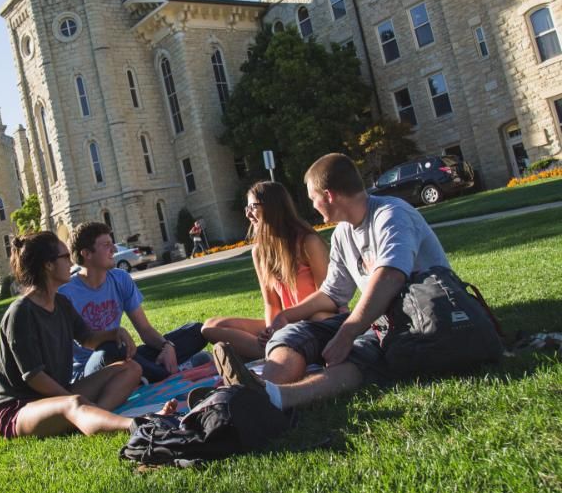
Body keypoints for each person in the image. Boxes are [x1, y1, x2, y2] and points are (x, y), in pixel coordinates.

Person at [213, 153, 452, 410]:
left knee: (360, 353)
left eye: (312, 198)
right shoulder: (343, 233)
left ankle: (277, 398)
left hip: (418, 315)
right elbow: (332, 292)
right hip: (377, 317)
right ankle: (255, 388)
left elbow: (390, 277)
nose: (312, 205)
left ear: (327, 196)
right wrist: (288, 316)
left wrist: (348, 332)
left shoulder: (391, 214)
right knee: (295, 333)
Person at [0, 231, 145, 440]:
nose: (71, 262)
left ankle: (93, 417)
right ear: (48, 265)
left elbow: (87, 339)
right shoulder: (21, 313)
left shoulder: (61, 303)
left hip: (60, 392)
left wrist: (115, 332)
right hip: (21, 408)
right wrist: (72, 397)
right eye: (65, 257)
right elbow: (34, 377)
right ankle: (140, 426)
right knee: (74, 404)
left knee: (131, 369)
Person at [201, 180, 336, 359]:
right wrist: (271, 331)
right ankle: (275, 351)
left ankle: (277, 355)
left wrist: (285, 320)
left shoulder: (308, 242)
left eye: (253, 207)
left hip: (313, 319)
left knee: (320, 318)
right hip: (284, 324)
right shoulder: (259, 252)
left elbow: (328, 298)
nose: (248, 214)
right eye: (246, 208)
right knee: (211, 327)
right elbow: (272, 304)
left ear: (273, 206)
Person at [60, 222, 208, 383]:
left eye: (112, 243)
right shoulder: (65, 293)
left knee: (196, 330)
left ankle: (149, 374)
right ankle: (166, 374)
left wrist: (167, 346)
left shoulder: (120, 278)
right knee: (112, 347)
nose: (114, 250)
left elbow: (144, 329)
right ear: (87, 254)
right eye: (106, 245)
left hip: (126, 356)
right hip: (90, 370)